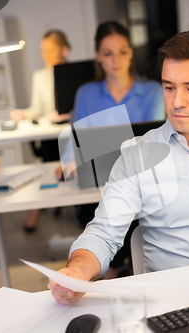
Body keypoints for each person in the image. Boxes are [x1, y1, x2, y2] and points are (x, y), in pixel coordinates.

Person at [49, 30, 189, 305]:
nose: (177, 102)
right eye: (169, 88)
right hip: (178, 304)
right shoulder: (137, 156)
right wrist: (77, 270)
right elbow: (103, 233)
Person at [56, 21, 165, 278]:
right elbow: (75, 139)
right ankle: (110, 268)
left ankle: (115, 269)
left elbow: (157, 141)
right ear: (98, 57)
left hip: (141, 179)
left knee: (136, 209)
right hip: (97, 181)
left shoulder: (152, 92)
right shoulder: (86, 93)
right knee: (98, 215)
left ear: (131, 53)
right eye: (107, 53)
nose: (116, 60)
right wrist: (69, 161)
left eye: (123, 51)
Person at [9, 30, 72, 232]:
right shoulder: (40, 76)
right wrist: (24, 114)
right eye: (43, 51)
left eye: (50, 50)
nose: (45, 55)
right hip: (50, 134)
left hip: (72, 129)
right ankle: (38, 207)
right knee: (50, 158)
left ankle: (83, 208)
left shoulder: (76, 73)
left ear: (65, 50)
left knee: (76, 150)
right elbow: (37, 109)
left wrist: (68, 115)